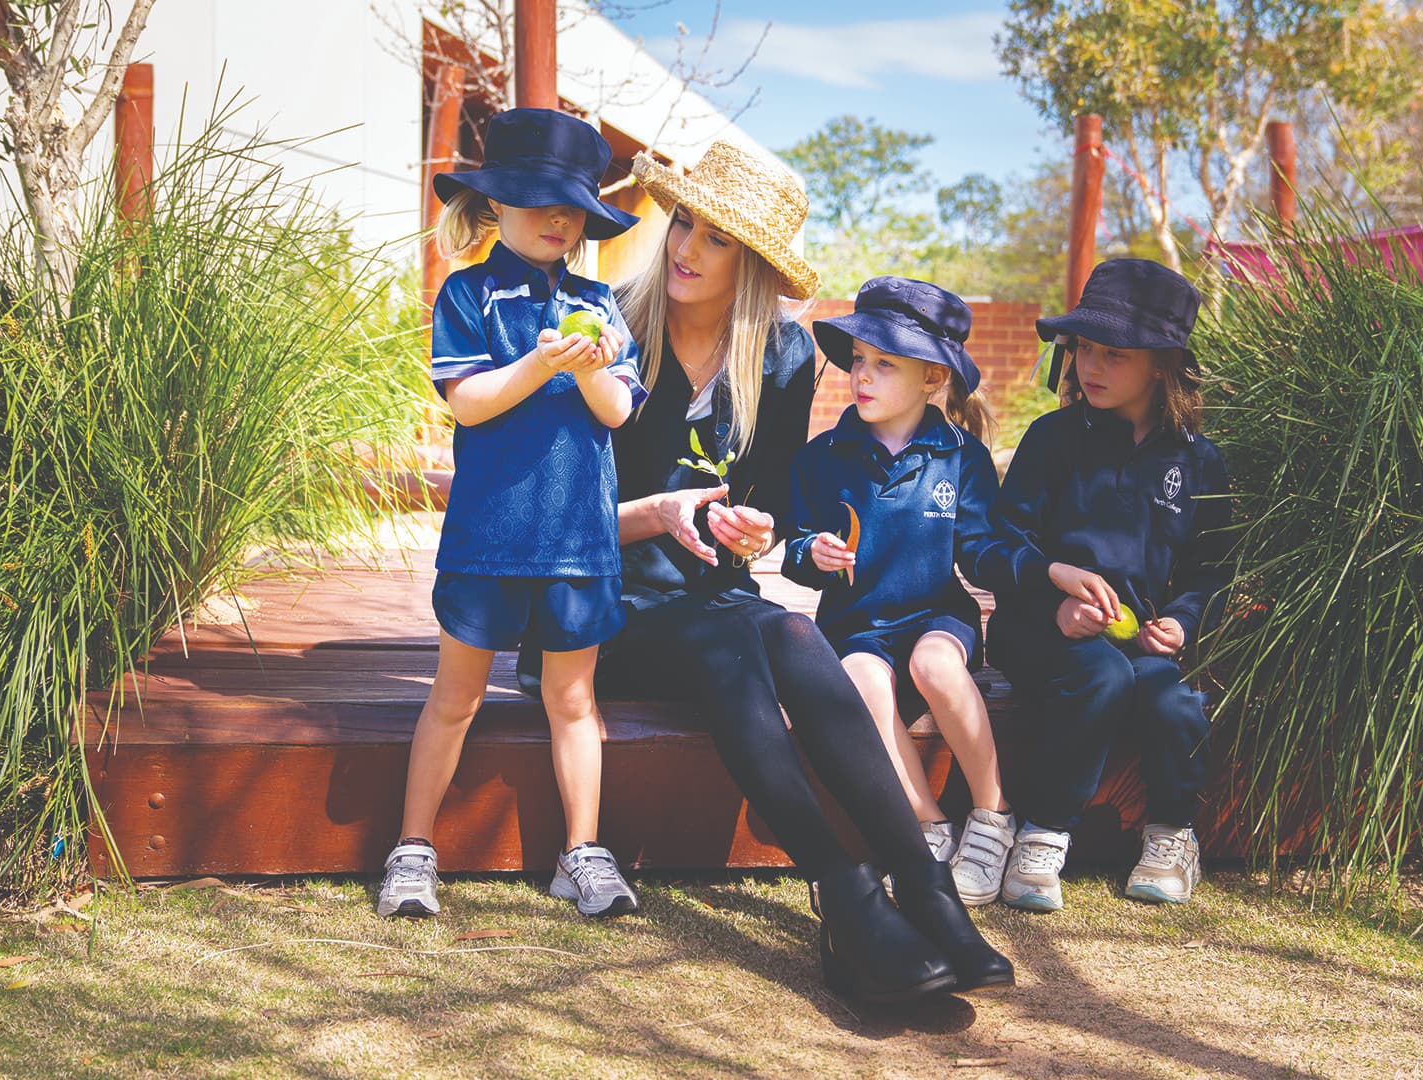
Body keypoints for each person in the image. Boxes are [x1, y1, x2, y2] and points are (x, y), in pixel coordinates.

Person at [598, 143, 1011, 1001]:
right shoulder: (611, 331)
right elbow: (562, 520)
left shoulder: (781, 356)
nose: (685, 249)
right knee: (726, 652)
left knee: (787, 627)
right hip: (610, 598)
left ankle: (922, 883)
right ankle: (845, 893)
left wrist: (754, 529)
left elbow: (772, 503)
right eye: (685, 224)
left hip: (711, 592)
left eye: (716, 239)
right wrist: (658, 514)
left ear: (749, 265)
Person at [378, 108, 645, 920]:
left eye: (572, 208)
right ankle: (414, 850)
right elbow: (468, 403)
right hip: (489, 540)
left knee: (574, 703)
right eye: (537, 202)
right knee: (454, 699)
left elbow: (617, 415)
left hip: (579, 545)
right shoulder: (468, 294)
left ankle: (583, 854)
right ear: (495, 206)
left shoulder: (601, 303)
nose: (558, 220)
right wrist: (538, 361)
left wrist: (593, 367)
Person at [977, 258, 1234, 912]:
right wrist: (1051, 589)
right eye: (1084, 348)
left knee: (1175, 701)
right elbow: (991, 546)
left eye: (1112, 353)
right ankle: (1042, 834)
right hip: (1037, 633)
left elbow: (1213, 568)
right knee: (1101, 676)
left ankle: (1172, 837)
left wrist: (1181, 618)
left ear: (1162, 363)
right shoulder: (1051, 440)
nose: (1089, 365)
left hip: (1134, 646)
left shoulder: (1199, 461)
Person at [782, 277, 1018, 908]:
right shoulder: (822, 458)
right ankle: (927, 825)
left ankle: (993, 818)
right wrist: (815, 554)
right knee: (861, 679)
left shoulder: (961, 457)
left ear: (932, 379)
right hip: (858, 623)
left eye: (885, 364)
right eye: (859, 360)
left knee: (935, 663)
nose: (863, 376)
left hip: (938, 614)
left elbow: (978, 546)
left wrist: (1026, 570)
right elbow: (797, 547)